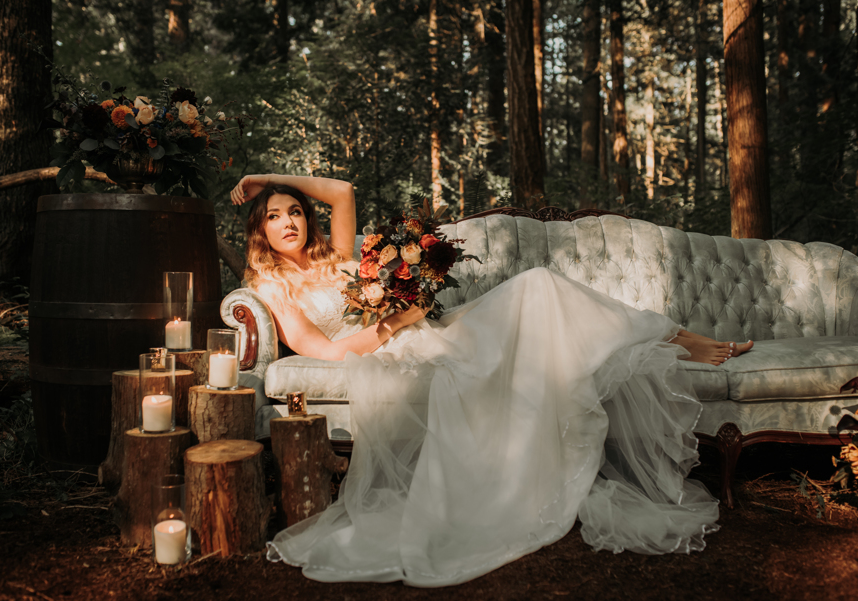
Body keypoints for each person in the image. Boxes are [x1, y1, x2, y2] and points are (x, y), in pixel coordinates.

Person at [231, 173, 752, 587]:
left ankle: (674, 336)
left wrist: (261, 178)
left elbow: (340, 192)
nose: (288, 221)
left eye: (295, 210)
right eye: (274, 217)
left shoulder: (338, 260)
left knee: (540, 285)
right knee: (538, 290)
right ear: (261, 232)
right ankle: (678, 339)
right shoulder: (271, 288)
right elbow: (325, 350)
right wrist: (396, 321)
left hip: (425, 329)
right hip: (399, 343)